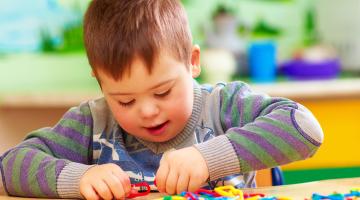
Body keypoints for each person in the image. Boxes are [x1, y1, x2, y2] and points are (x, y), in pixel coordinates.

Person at [0, 0, 324, 199]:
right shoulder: (91, 122)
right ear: (100, 83)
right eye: (124, 101)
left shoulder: (223, 106)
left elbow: (304, 128)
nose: (148, 111)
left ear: (193, 62)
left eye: (163, 91)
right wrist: (79, 177)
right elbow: (8, 169)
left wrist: (206, 159)